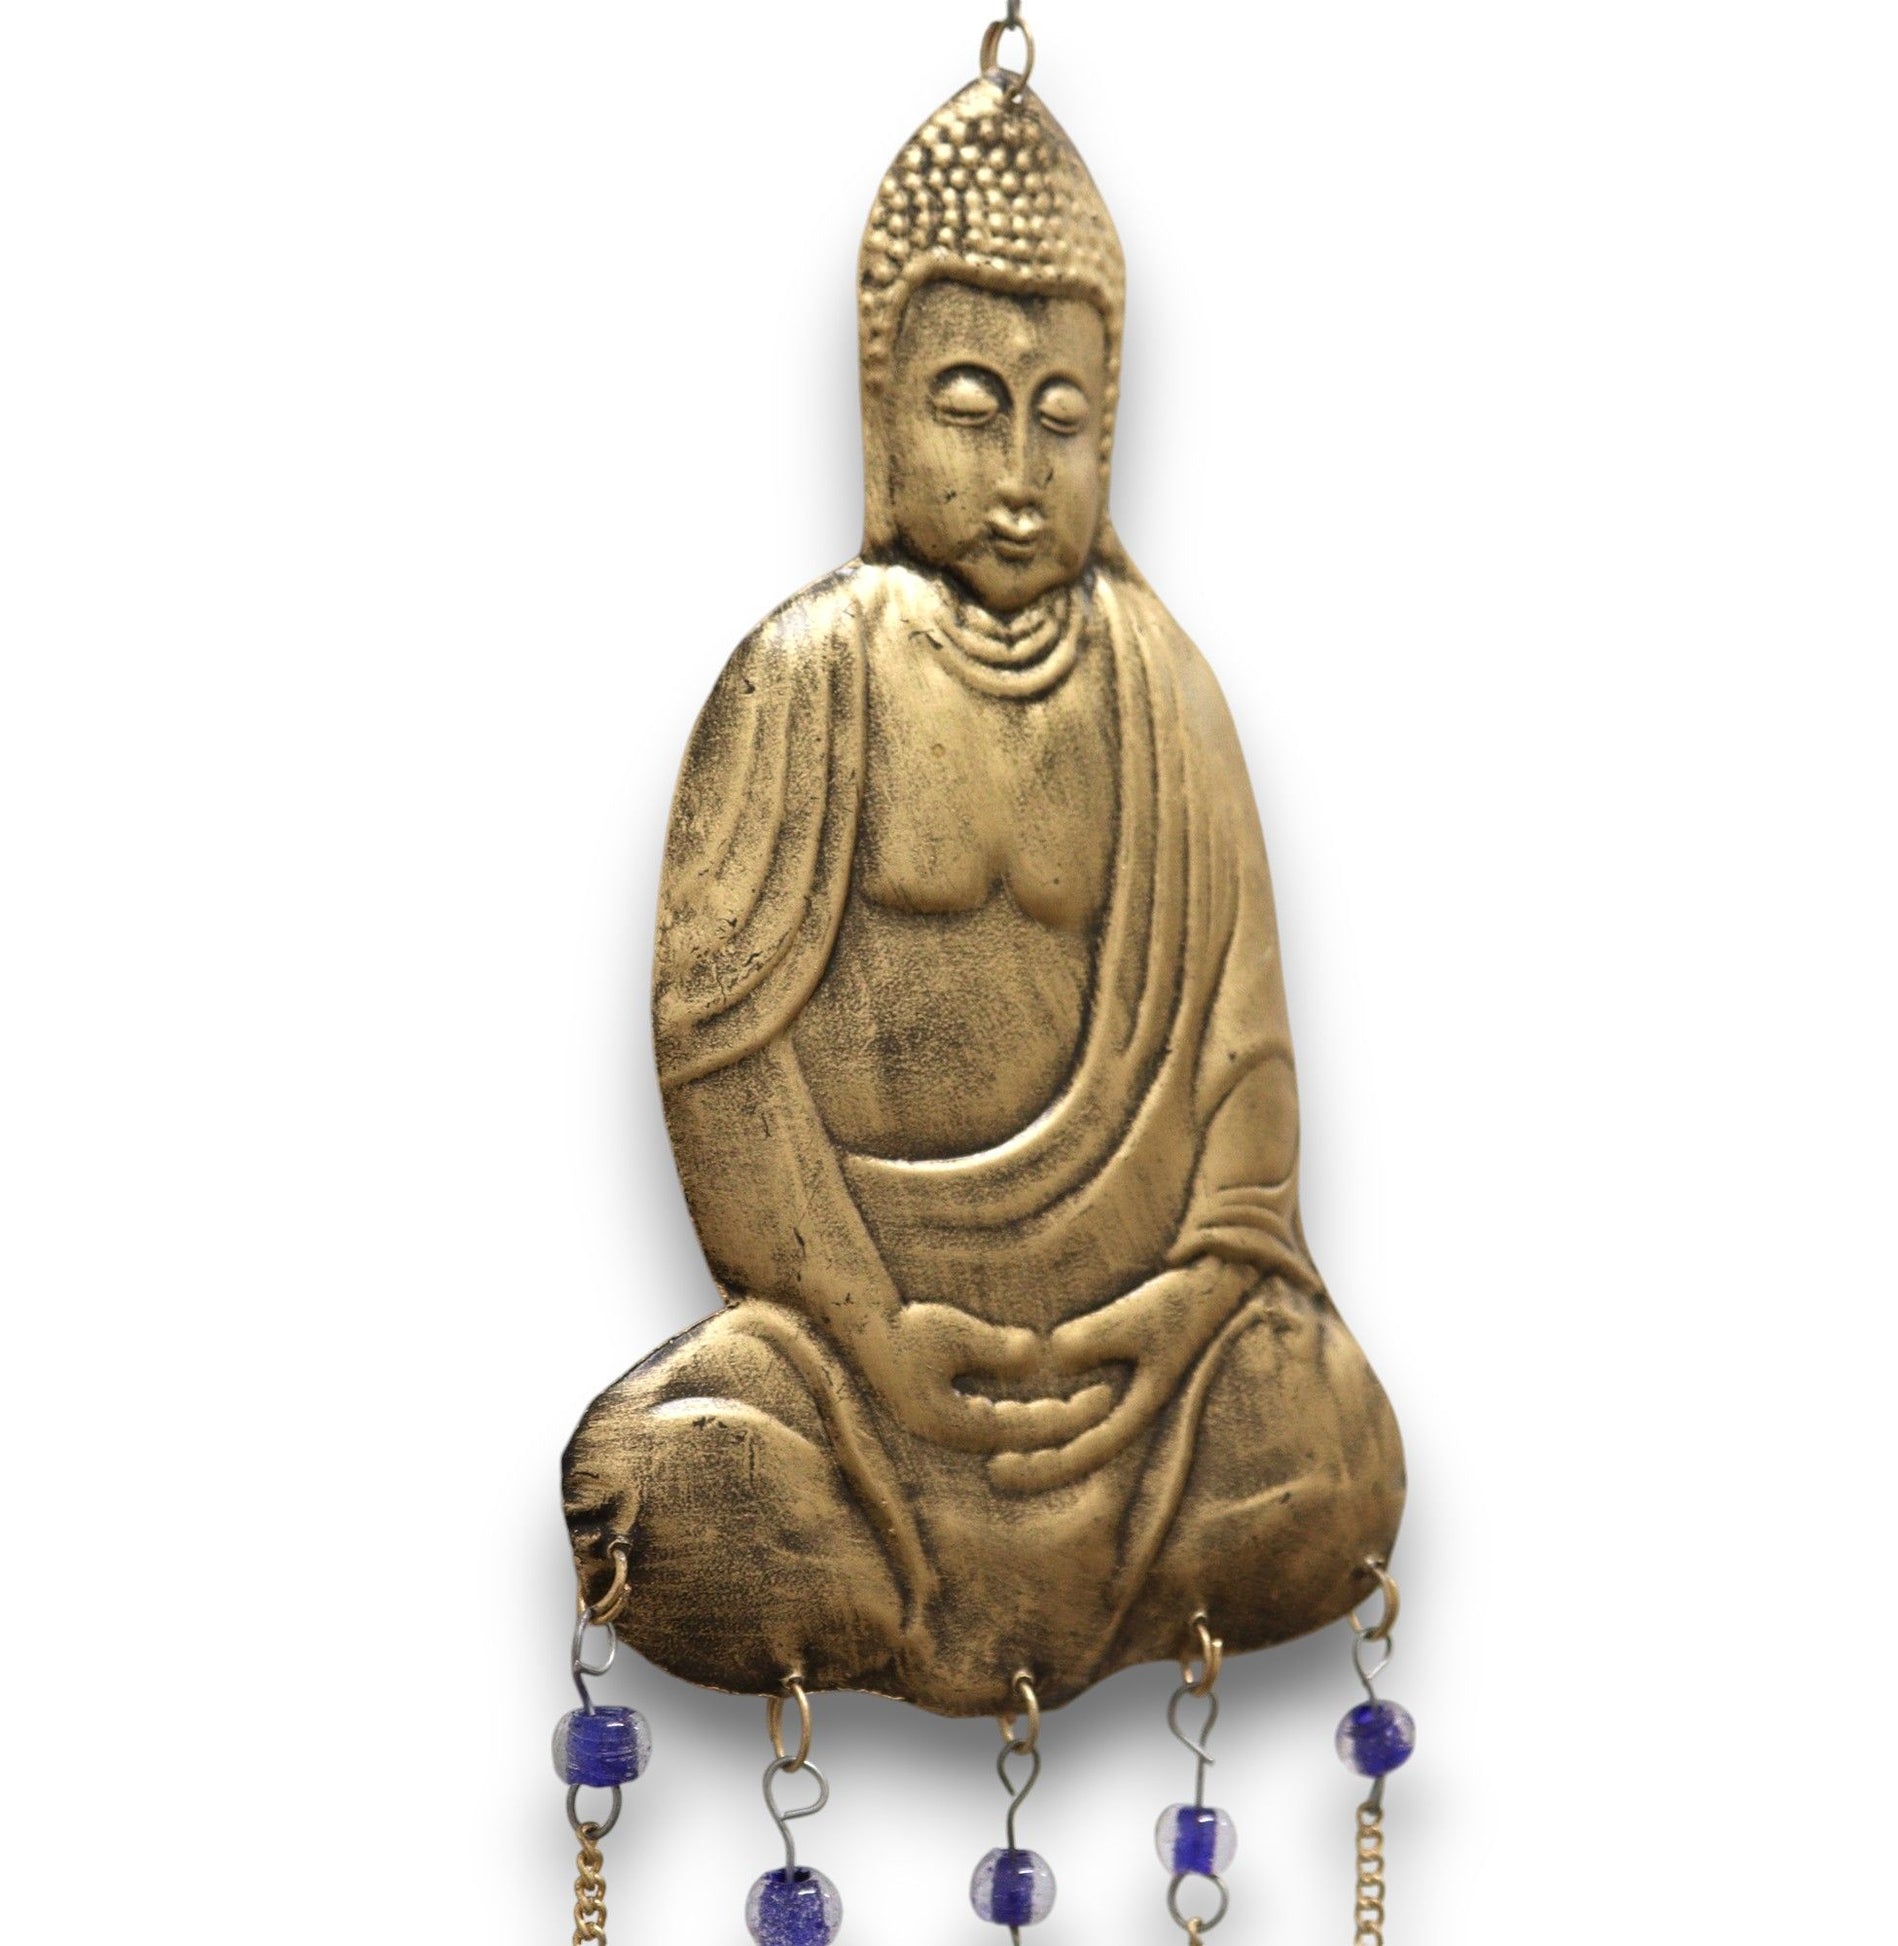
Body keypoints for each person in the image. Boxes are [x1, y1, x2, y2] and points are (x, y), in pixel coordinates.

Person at [564, 77, 1404, 1716]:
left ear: (1112, 431)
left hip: (1139, 1386)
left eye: (1062, 419)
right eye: (971, 406)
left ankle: (944, 1597)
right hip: (855, 1369)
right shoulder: (808, 678)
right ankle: (923, 1572)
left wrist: (1177, 1309)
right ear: (883, 412)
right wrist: (870, 1326)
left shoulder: (1166, 693)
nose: (1020, 470)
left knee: (1339, 1448)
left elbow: (1242, 1071)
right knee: (650, 1486)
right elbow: (723, 1062)